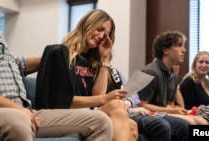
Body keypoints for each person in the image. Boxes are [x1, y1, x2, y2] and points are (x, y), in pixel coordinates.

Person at [0, 0, 113, 141]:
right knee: (19, 122)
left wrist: (55, 56)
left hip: (25, 110)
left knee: (101, 121)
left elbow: (16, 64)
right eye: (99, 29)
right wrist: (17, 108)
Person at [35, 9, 137, 141]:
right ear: (87, 25)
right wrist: (104, 98)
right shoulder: (60, 53)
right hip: (59, 112)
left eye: (106, 35)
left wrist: (105, 60)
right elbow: (62, 101)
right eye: (99, 29)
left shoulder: (93, 62)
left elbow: (97, 97)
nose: (101, 36)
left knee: (132, 125)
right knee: (117, 106)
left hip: (85, 111)